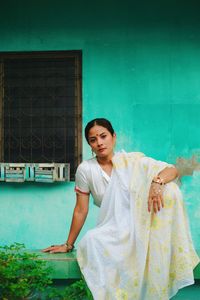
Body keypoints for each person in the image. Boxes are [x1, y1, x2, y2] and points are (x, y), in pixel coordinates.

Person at [43, 118, 199, 300]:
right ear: (89, 145)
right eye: (93, 140)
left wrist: (157, 183)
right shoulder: (86, 170)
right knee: (91, 240)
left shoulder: (132, 162)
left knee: (169, 189)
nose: (99, 142)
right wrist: (68, 244)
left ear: (113, 137)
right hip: (114, 230)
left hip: (142, 226)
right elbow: (80, 209)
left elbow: (172, 170)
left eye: (103, 136)